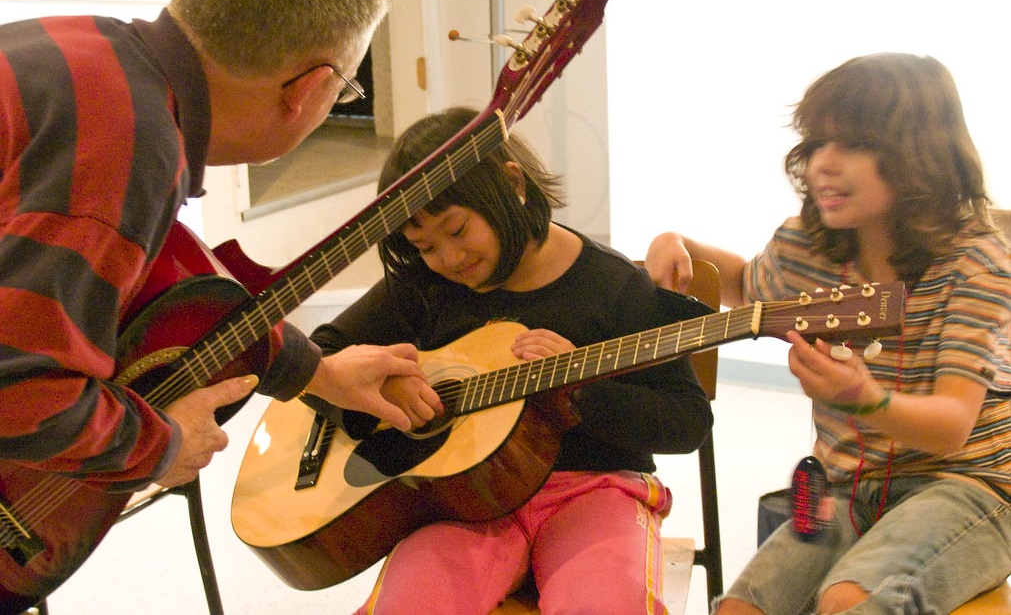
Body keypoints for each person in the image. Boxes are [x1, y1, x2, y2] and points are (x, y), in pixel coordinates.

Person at [0, 0, 441, 497]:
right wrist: (162, 447)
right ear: (308, 88)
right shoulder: (130, 149)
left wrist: (316, 372)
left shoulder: (88, 47)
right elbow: (18, 391)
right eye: (343, 90)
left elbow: (154, 284)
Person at [308, 106, 714, 614]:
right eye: (425, 246)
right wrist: (375, 388)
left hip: (593, 490)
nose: (450, 259)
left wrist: (582, 389)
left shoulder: (611, 287)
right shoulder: (424, 285)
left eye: (458, 230)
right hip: (460, 502)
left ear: (512, 183)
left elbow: (688, 421)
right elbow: (319, 355)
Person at [645, 53, 1011, 614]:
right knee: (739, 610)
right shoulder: (806, 248)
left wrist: (864, 401)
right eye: (816, 144)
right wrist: (681, 246)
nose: (822, 164)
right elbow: (746, 283)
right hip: (844, 488)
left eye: (851, 145)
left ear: (920, 156)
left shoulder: (977, 263)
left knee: (848, 600)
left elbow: (953, 427)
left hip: (966, 486)